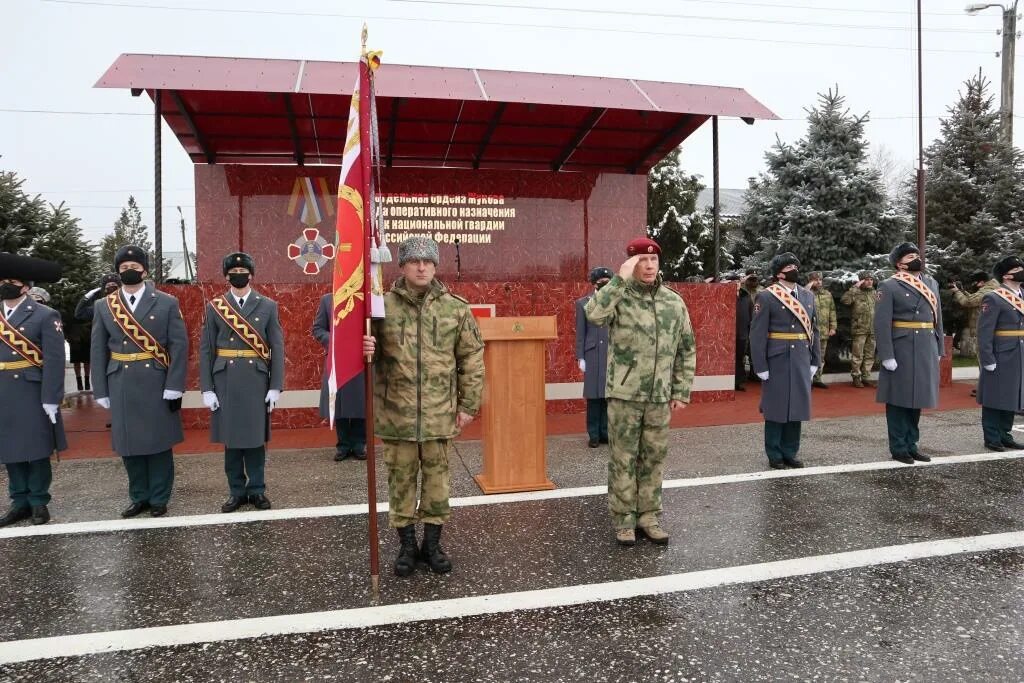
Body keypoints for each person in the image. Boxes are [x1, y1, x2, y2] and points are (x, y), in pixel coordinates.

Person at [362, 237, 485, 577]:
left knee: (436, 483)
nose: (421, 267)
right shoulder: (378, 307)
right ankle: (406, 546)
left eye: (427, 262)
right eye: (414, 261)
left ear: (435, 266)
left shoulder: (454, 308)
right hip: (396, 413)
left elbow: (471, 358)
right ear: (401, 266)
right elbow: (364, 359)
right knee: (400, 480)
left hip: (438, 413)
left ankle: (432, 545)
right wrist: (366, 347)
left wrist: (469, 404)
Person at [585, 237, 696, 547]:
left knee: (653, 458)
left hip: (659, 395)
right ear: (631, 264)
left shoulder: (673, 302)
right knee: (623, 458)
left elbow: (687, 349)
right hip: (625, 394)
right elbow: (593, 314)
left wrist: (681, 389)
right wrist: (618, 279)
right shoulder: (618, 297)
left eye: (653, 261)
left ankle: (648, 517)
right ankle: (623, 520)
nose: (648, 266)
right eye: (641, 261)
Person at [91, 245, 188, 517]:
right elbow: (98, 349)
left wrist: (174, 384)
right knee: (129, 443)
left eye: (134, 267)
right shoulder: (104, 305)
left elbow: (179, 346)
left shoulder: (167, 302)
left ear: (145, 270)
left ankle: (159, 498)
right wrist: (100, 387)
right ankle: (138, 496)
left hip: (156, 381)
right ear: (118, 272)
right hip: (120, 382)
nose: (129, 272)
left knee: (158, 442)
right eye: (124, 269)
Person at [199, 252, 284, 513]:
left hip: (256, 381)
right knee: (232, 440)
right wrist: (207, 388)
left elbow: (277, 347)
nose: (238, 275)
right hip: (225, 380)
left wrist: (275, 385)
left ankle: (257, 491)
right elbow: (206, 349)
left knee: (255, 440)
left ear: (251, 275)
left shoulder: (267, 305)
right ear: (226, 276)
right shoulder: (215, 307)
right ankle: (236, 491)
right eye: (233, 271)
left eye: (243, 271)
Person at [0, 253, 67, 526]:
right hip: (3, 391)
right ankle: (19, 501)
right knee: (8, 448)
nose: (6, 285)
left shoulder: (45, 314)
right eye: (2, 280)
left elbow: (54, 359)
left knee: (36, 448)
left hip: (31, 389)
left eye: (12, 281)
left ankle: (39, 501)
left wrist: (52, 397)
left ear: (26, 286)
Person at [874, 242, 944, 465]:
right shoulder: (889, 286)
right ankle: (898, 447)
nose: (916, 258)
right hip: (901, 346)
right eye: (910, 256)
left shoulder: (931, 283)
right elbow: (881, 323)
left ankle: (912, 445)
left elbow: (937, 320)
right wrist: (887, 354)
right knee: (898, 399)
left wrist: (939, 348)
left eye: (917, 255)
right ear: (899, 264)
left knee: (917, 398)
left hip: (925, 346)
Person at [750, 253, 820, 470]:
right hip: (777, 357)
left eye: (795, 265)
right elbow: (757, 333)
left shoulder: (808, 297)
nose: (794, 269)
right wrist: (760, 365)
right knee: (776, 407)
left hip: (800, 356)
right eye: (789, 266)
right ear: (779, 272)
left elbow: (814, 330)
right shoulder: (767, 296)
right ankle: (775, 453)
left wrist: (815, 359)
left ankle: (791, 452)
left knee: (797, 406)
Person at [975, 256, 1024, 451]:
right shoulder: (994, 297)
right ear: (1006, 275)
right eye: (1017, 268)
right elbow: (984, 331)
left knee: (1013, 396)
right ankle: (992, 437)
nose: (1021, 270)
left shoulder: (1022, 295)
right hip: (1001, 353)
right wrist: (987, 358)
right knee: (995, 396)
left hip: (1020, 353)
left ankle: (1005, 434)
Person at [313, 293, 366, 461]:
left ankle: (359, 444)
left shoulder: (364, 298)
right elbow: (318, 328)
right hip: (336, 359)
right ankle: (343, 445)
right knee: (339, 403)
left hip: (360, 357)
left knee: (360, 402)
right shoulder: (328, 299)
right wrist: (334, 340)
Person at [575, 266, 612, 447]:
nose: (605, 285)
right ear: (594, 284)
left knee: (607, 395)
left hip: (611, 353)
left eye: (608, 282)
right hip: (592, 353)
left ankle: (606, 433)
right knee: (593, 396)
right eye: (601, 282)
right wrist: (580, 356)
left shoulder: (616, 302)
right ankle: (594, 434)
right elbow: (581, 332)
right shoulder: (583, 303)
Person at [72, 274, 120, 393]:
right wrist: (88, 296)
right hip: (106, 348)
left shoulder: (128, 303)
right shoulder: (100, 305)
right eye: (108, 286)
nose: (111, 287)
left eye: (114, 285)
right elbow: (79, 314)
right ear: (104, 289)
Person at [840, 271, 878, 388]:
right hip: (859, 328)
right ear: (861, 281)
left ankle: (866, 377)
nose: (870, 281)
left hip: (873, 329)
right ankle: (856, 377)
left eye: (871, 279)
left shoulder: (875, 293)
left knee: (870, 354)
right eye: (867, 279)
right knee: (858, 354)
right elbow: (845, 300)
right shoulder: (856, 293)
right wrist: (855, 287)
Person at [952, 271, 999, 357]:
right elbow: (975, 300)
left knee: (985, 361)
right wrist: (963, 291)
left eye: (974, 282)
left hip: (985, 331)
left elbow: (968, 302)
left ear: (981, 282)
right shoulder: (991, 288)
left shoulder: (986, 291)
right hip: (989, 330)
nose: (973, 284)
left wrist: (957, 292)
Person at [807, 271, 836, 389]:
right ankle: (807, 380)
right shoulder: (806, 293)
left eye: (820, 280)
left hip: (823, 331)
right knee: (808, 356)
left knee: (820, 356)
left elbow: (832, 311)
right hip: (809, 331)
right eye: (815, 280)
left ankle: (818, 378)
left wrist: (833, 326)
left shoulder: (827, 294)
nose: (818, 282)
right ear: (810, 281)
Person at [728, 274, 754, 391]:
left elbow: (752, 314)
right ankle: (728, 382)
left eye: (737, 281)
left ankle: (738, 382)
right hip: (728, 333)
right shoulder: (724, 295)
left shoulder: (746, 296)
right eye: (733, 281)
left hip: (742, 333)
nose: (736, 283)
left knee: (740, 357)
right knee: (729, 358)